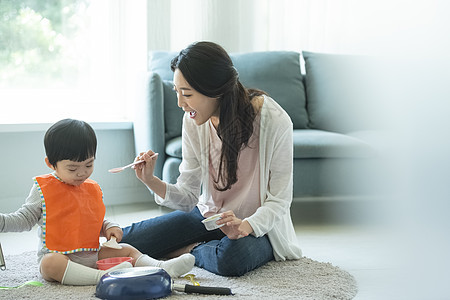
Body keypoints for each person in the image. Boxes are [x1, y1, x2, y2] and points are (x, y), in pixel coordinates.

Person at [121, 41, 302, 276]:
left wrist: (243, 226)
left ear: (215, 89)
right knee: (128, 239)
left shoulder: (274, 120)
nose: (180, 104)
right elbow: (187, 196)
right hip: (210, 216)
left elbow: (279, 201)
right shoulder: (193, 121)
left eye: (187, 94)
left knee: (231, 258)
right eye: (177, 92)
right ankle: (196, 248)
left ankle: (187, 250)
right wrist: (150, 180)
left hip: (256, 226)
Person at [0, 119, 194, 285]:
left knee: (127, 249)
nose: (82, 173)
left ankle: (162, 267)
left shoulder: (90, 187)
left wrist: (110, 227)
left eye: (89, 164)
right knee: (50, 263)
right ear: (51, 163)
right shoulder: (43, 188)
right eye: (72, 168)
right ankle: (103, 276)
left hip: (91, 256)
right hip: (61, 259)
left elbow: (93, 221)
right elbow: (24, 219)